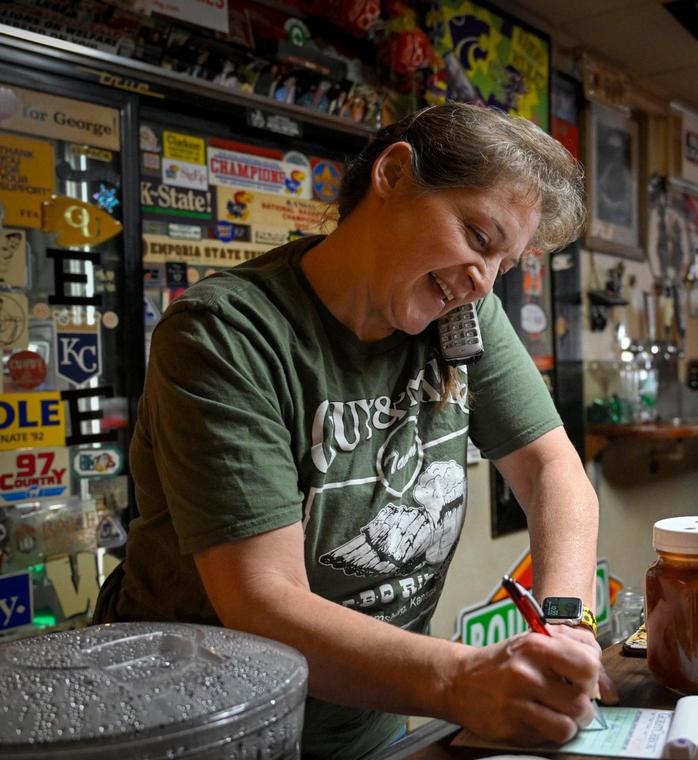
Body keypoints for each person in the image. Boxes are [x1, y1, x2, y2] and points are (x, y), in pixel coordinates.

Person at [94, 102, 614, 758]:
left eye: (504, 264)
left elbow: (552, 471)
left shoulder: (466, 316)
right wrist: (459, 680)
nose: (482, 280)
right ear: (394, 175)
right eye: (478, 238)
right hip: (205, 730)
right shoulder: (226, 334)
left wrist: (566, 627)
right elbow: (263, 601)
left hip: (370, 725)